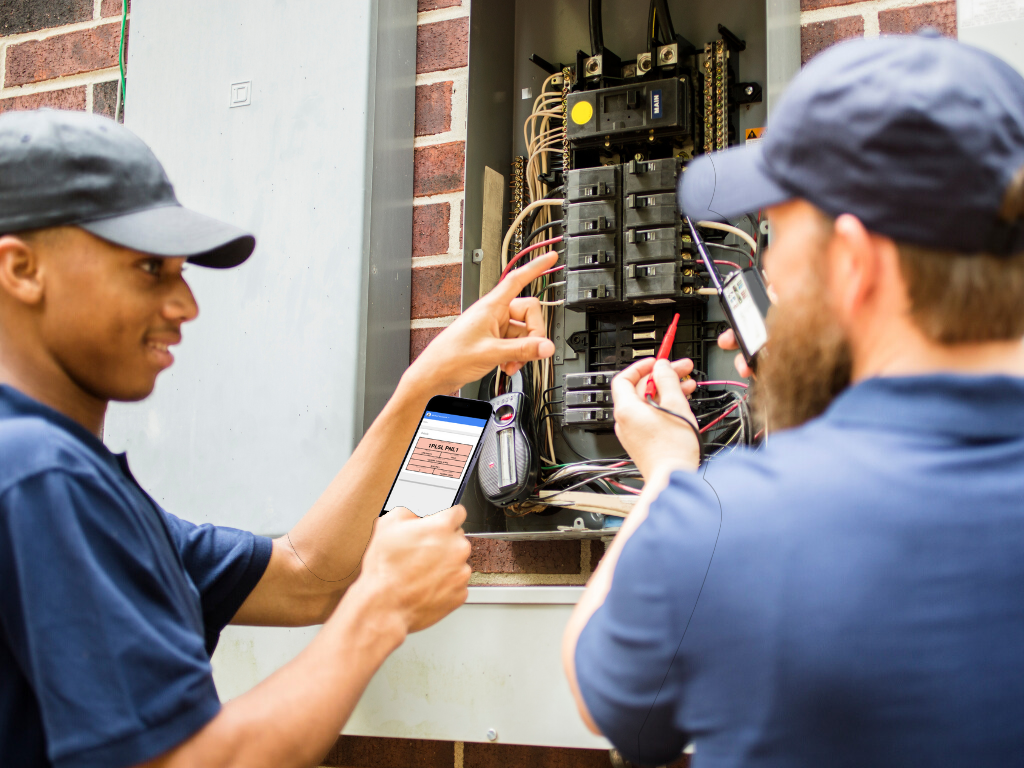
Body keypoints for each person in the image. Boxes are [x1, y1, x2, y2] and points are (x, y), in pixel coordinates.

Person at [0, 108, 559, 768]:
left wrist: (422, 384)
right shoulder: (37, 473)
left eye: (182, 272)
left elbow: (306, 576)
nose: (185, 305)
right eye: (150, 269)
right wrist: (378, 611)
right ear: (22, 268)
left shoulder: (72, 481)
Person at [562, 33, 1024, 768]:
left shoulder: (723, 526)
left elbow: (612, 706)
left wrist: (669, 473)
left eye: (779, 238)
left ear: (854, 263)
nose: (766, 267)